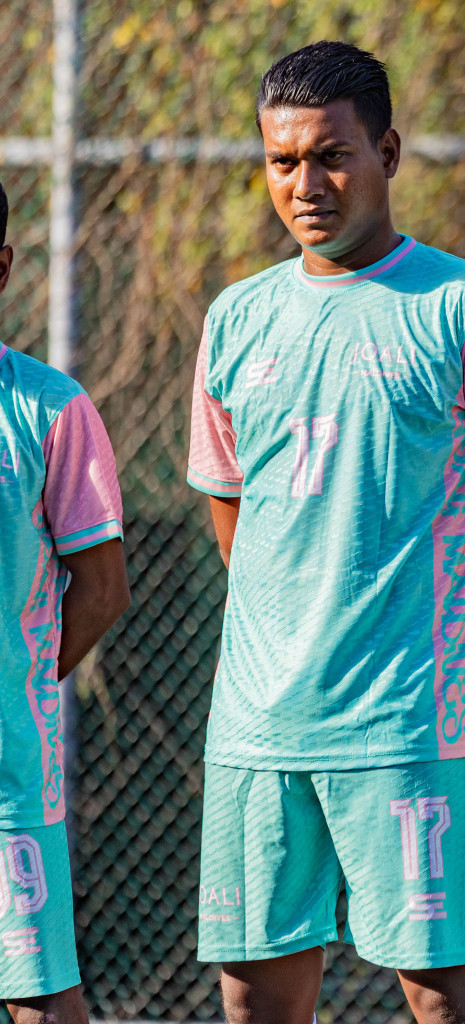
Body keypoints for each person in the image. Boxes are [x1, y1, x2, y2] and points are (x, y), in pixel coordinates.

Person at [185, 42, 465, 1024]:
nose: (305, 184)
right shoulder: (237, 318)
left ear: (387, 153)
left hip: (406, 723)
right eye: (282, 161)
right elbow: (239, 526)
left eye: (332, 156)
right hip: (259, 726)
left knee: (444, 995)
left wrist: (433, 647)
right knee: (254, 997)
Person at [0, 179, 130, 1024]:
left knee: (41, 1000)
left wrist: (22, 686)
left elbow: (104, 587)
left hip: (8, 775)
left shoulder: (49, 408)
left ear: (2, 266)